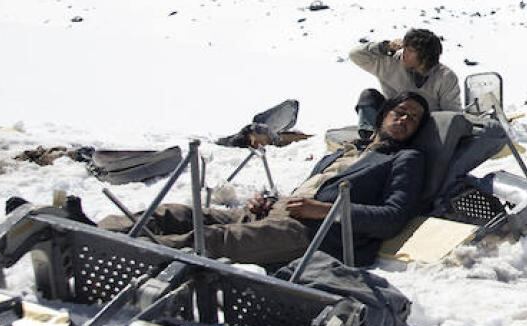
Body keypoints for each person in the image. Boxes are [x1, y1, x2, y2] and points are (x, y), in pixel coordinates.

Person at [93, 93, 429, 266]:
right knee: (177, 213)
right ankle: (94, 231)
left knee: (214, 239)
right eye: (399, 112)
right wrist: (272, 202)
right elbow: (310, 192)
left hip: (316, 234)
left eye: (412, 119)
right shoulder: (347, 151)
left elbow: (391, 219)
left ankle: (111, 251)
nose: (404, 120)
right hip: (279, 214)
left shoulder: (405, 159)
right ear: (385, 113)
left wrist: (322, 212)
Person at [348, 29, 462, 132]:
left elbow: (452, 114)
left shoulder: (445, 77)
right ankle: (369, 135)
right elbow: (355, 55)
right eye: (405, 47)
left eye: (410, 50)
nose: (404, 53)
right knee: (369, 96)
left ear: (424, 58)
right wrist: (383, 47)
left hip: (423, 127)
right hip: (392, 120)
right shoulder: (390, 61)